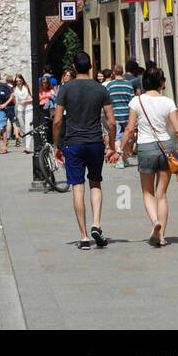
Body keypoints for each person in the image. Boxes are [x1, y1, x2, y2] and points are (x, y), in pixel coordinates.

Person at [121, 67, 178, 247]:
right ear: (161, 83)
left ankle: (155, 221)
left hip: (146, 149)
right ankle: (162, 235)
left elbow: (130, 129)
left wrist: (121, 150)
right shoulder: (168, 102)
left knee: (147, 192)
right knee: (161, 194)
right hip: (166, 148)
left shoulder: (136, 101)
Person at [52, 52, 118, 249]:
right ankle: (96, 223)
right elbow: (111, 122)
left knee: (77, 186)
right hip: (95, 142)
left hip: (73, 143)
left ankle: (83, 236)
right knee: (95, 182)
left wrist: (56, 145)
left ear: (73, 67)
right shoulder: (100, 89)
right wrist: (112, 146)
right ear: (90, 66)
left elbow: (57, 121)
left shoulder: (65, 89)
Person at [105, 66, 135, 164]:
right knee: (127, 137)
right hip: (127, 115)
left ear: (113, 73)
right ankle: (124, 158)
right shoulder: (129, 85)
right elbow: (132, 100)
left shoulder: (110, 85)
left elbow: (106, 100)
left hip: (115, 114)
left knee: (117, 137)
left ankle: (121, 159)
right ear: (123, 72)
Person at [11, 74, 34, 153]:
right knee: (23, 128)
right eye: (17, 81)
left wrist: (26, 101)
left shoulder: (27, 87)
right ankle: (25, 145)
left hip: (28, 109)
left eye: (20, 81)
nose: (18, 82)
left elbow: (34, 99)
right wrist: (13, 99)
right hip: (19, 110)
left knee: (28, 128)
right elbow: (15, 102)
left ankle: (28, 147)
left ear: (22, 80)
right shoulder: (15, 89)